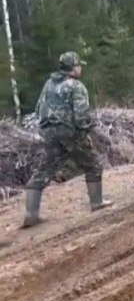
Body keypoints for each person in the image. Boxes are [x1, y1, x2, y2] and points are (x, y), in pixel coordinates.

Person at [22, 52, 113, 228]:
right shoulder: (76, 86)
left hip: (50, 133)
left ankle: (31, 214)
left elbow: (39, 108)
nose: (81, 68)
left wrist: (46, 130)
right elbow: (81, 115)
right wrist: (90, 131)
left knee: (43, 171)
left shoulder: (48, 84)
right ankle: (97, 202)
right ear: (72, 68)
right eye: (79, 65)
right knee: (93, 165)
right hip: (71, 134)